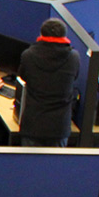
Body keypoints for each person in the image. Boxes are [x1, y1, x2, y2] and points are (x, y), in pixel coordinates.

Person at [17, 19, 81, 147]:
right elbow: (75, 78)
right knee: (54, 166)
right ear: (64, 37)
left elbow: (22, 76)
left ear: (41, 35)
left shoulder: (28, 55)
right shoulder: (73, 57)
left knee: (28, 165)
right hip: (59, 127)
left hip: (33, 124)